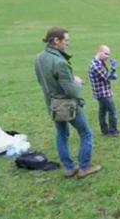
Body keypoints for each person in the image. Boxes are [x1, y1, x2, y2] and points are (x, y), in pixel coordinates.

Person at [34, 27, 102, 178]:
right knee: (86, 133)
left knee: (62, 134)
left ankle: (69, 168)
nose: (68, 44)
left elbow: (43, 81)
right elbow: (72, 91)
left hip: (51, 104)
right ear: (56, 40)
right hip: (67, 105)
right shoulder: (60, 62)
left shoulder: (38, 59)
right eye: (66, 40)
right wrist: (77, 82)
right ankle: (84, 167)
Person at [88, 45, 120, 137]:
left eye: (108, 54)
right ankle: (113, 131)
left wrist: (112, 75)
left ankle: (105, 131)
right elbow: (107, 77)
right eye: (106, 54)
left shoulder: (99, 63)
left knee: (102, 111)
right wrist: (113, 70)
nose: (107, 56)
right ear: (99, 52)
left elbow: (106, 76)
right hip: (103, 93)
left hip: (101, 93)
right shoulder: (96, 65)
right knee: (112, 111)